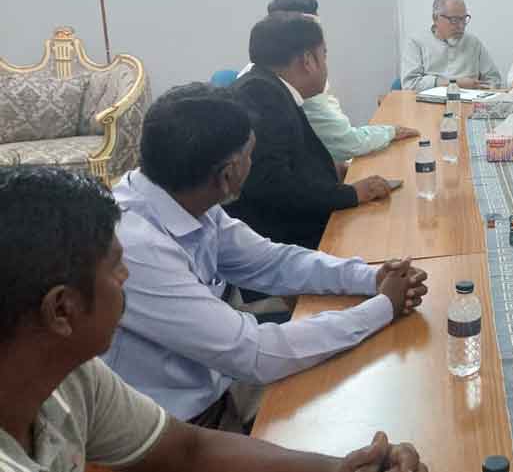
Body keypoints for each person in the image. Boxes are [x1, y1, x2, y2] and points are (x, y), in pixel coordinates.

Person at [0, 165, 428, 471]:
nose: (127, 277)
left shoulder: (75, 377)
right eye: (115, 269)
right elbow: (252, 355)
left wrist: (339, 468)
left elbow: (189, 450)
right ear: (62, 309)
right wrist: (382, 306)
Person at [100, 84, 428, 431]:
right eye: (250, 154)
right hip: (173, 430)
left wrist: (371, 278)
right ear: (228, 174)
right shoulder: (136, 248)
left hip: (218, 386)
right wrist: (382, 308)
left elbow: (273, 261)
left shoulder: (185, 198)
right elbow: (254, 353)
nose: (253, 163)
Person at [226, 12, 393, 250]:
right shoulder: (263, 97)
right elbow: (275, 187)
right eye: (324, 55)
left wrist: (334, 171)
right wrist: (352, 194)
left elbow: (289, 160)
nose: (326, 65)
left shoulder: (267, 86)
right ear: (307, 60)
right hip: (284, 242)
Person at [258, 0, 419, 163]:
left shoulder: (264, 71)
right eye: (323, 54)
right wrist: (391, 132)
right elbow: (346, 143)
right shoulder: (296, 85)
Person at [399, 0, 503, 90]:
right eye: (454, 20)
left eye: (464, 19)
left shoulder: (473, 42)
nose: (461, 26)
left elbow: (494, 79)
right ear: (435, 18)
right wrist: (454, 84)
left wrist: (484, 89)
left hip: (469, 100)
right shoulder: (416, 43)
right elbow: (409, 84)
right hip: (427, 101)